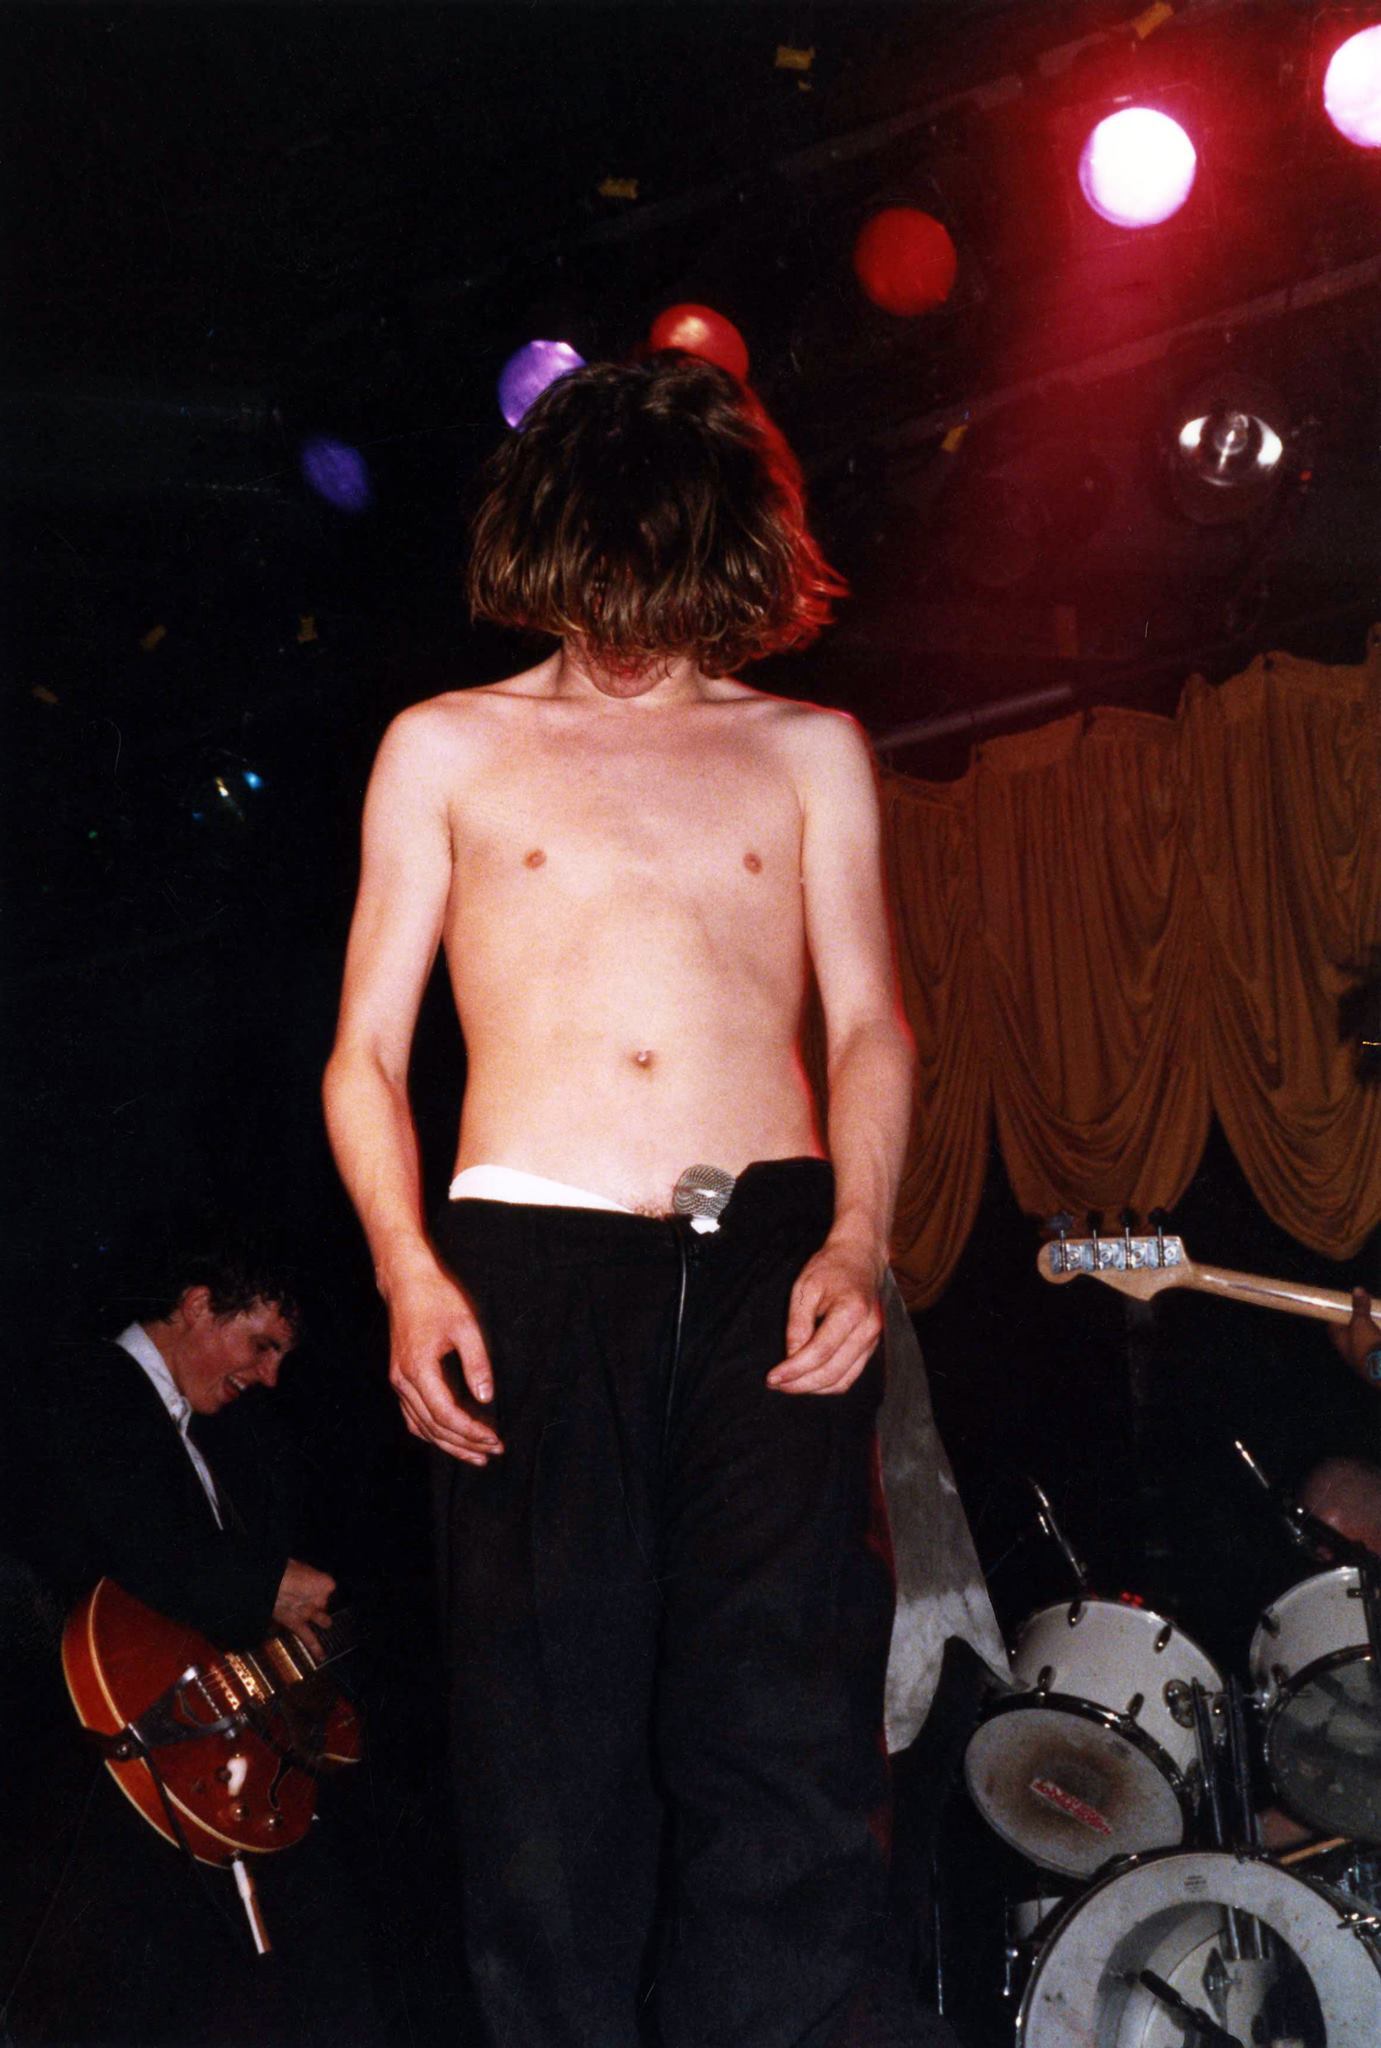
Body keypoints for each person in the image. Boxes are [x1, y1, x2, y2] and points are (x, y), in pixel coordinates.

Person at [323, 353, 952, 2045]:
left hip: (768, 1262)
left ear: (724, 566)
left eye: (658, 593)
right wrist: (407, 1271)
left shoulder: (805, 748)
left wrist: (857, 1238)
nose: (621, 632)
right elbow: (364, 1055)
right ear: (548, 553)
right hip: (527, 1270)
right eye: (596, 588)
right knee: (545, 1757)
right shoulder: (446, 745)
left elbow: (871, 1024)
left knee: (788, 1736)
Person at [1, 1237, 368, 2048]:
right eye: (261, 1344)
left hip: (161, 1762)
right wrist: (265, 1583)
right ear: (199, 1305)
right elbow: (136, 1546)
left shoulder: (206, 1436)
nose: (269, 1376)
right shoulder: (88, 1379)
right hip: (76, 1752)